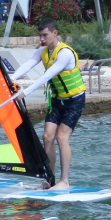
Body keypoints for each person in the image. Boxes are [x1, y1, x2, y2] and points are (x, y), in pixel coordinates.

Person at [10, 18, 84, 190]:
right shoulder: (43, 51)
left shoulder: (64, 53)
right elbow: (28, 65)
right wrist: (10, 79)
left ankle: (64, 182)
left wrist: (25, 92)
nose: (42, 39)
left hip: (75, 100)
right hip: (57, 100)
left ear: (55, 33)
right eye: (40, 35)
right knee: (47, 137)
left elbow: (46, 76)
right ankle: (50, 180)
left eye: (45, 35)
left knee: (61, 137)